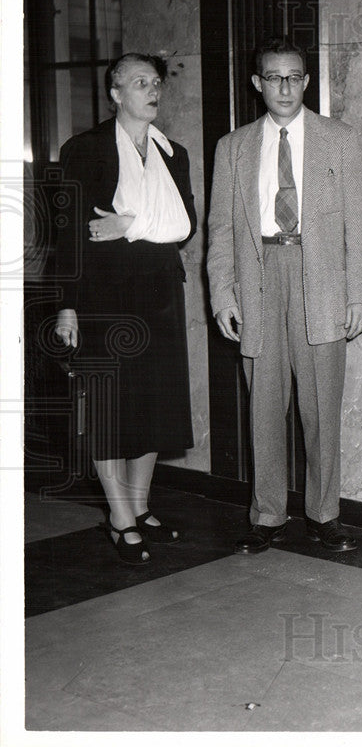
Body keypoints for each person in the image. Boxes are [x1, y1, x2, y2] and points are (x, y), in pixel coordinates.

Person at [206, 37, 362, 555]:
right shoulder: (232, 147)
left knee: (321, 406)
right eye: (274, 77)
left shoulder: (339, 139)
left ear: (306, 81)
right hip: (259, 277)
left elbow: (359, 223)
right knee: (265, 406)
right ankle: (268, 515)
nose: (284, 86)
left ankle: (324, 516)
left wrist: (360, 295)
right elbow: (220, 229)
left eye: (294, 76)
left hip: (320, 278)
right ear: (258, 84)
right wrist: (222, 295)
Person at [53, 53, 196, 565]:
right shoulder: (84, 149)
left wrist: (131, 223)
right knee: (112, 409)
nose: (152, 90)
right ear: (115, 94)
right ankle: (118, 515)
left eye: (156, 82)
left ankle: (139, 506)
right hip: (104, 297)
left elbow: (185, 227)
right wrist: (66, 308)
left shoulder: (172, 153)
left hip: (159, 293)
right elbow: (66, 236)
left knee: (155, 406)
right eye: (139, 83)